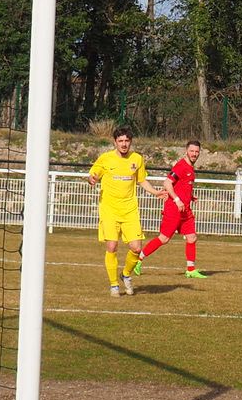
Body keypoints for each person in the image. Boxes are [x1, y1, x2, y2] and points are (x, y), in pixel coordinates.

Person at [87, 126, 166, 297]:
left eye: (127, 141)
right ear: (115, 142)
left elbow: (142, 180)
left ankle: (126, 275)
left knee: (136, 248)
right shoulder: (106, 158)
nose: (124, 144)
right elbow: (93, 174)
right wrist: (92, 179)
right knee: (112, 245)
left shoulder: (137, 159)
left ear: (131, 142)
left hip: (130, 210)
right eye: (120, 141)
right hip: (109, 210)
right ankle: (114, 285)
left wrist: (155, 192)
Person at [134, 140, 207, 279]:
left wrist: (190, 197)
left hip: (185, 210)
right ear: (186, 151)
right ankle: (138, 259)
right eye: (192, 151)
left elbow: (182, 186)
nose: (194, 154)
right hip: (173, 209)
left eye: (197, 151)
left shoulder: (190, 168)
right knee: (164, 238)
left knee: (192, 237)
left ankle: (191, 270)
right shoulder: (181, 166)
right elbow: (167, 183)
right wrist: (177, 199)